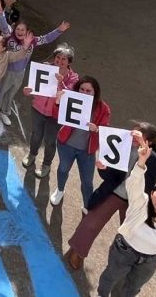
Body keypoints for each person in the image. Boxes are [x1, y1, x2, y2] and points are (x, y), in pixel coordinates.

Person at [65, 122, 156, 270]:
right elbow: (108, 175)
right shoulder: (122, 146)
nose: (133, 137)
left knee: (130, 234)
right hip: (115, 192)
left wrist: (145, 151)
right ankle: (78, 251)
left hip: (136, 200)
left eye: (139, 135)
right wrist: (103, 168)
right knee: (91, 223)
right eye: (134, 133)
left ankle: (119, 265)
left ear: (149, 141)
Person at [95, 137, 156, 296]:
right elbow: (134, 183)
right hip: (123, 250)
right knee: (110, 277)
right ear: (151, 194)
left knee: (132, 289)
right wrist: (141, 162)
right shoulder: (141, 201)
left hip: (148, 263)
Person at [0, 6, 69, 127]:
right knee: (1, 92)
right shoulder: (9, 37)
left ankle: (4, 112)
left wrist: (59, 30)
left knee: (12, 93)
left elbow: (46, 39)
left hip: (20, 73)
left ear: (28, 31)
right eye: (18, 29)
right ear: (14, 30)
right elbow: (3, 25)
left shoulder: (33, 41)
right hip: (7, 71)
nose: (20, 32)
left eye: (23, 30)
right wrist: (0, 13)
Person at [50, 76, 110, 213]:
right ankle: (60, 190)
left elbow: (105, 129)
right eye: (82, 89)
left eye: (88, 91)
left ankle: (87, 203)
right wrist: (58, 102)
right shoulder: (70, 98)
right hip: (66, 145)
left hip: (87, 151)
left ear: (95, 92)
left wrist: (97, 129)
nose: (84, 93)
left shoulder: (103, 108)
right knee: (63, 169)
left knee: (87, 181)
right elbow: (55, 115)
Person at [22, 43, 79, 177]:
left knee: (50, 141)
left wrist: (61, 82)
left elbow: (68, 95)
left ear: (69, 62)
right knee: (36, 135)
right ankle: (32, 154)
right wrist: (27, 91)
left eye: (64, 59)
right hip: (37, 109)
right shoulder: (45, 68)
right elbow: (33, 87)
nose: (60, 61)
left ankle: (46, 164)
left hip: (55, 115)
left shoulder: (74, 78)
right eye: (58, 57)